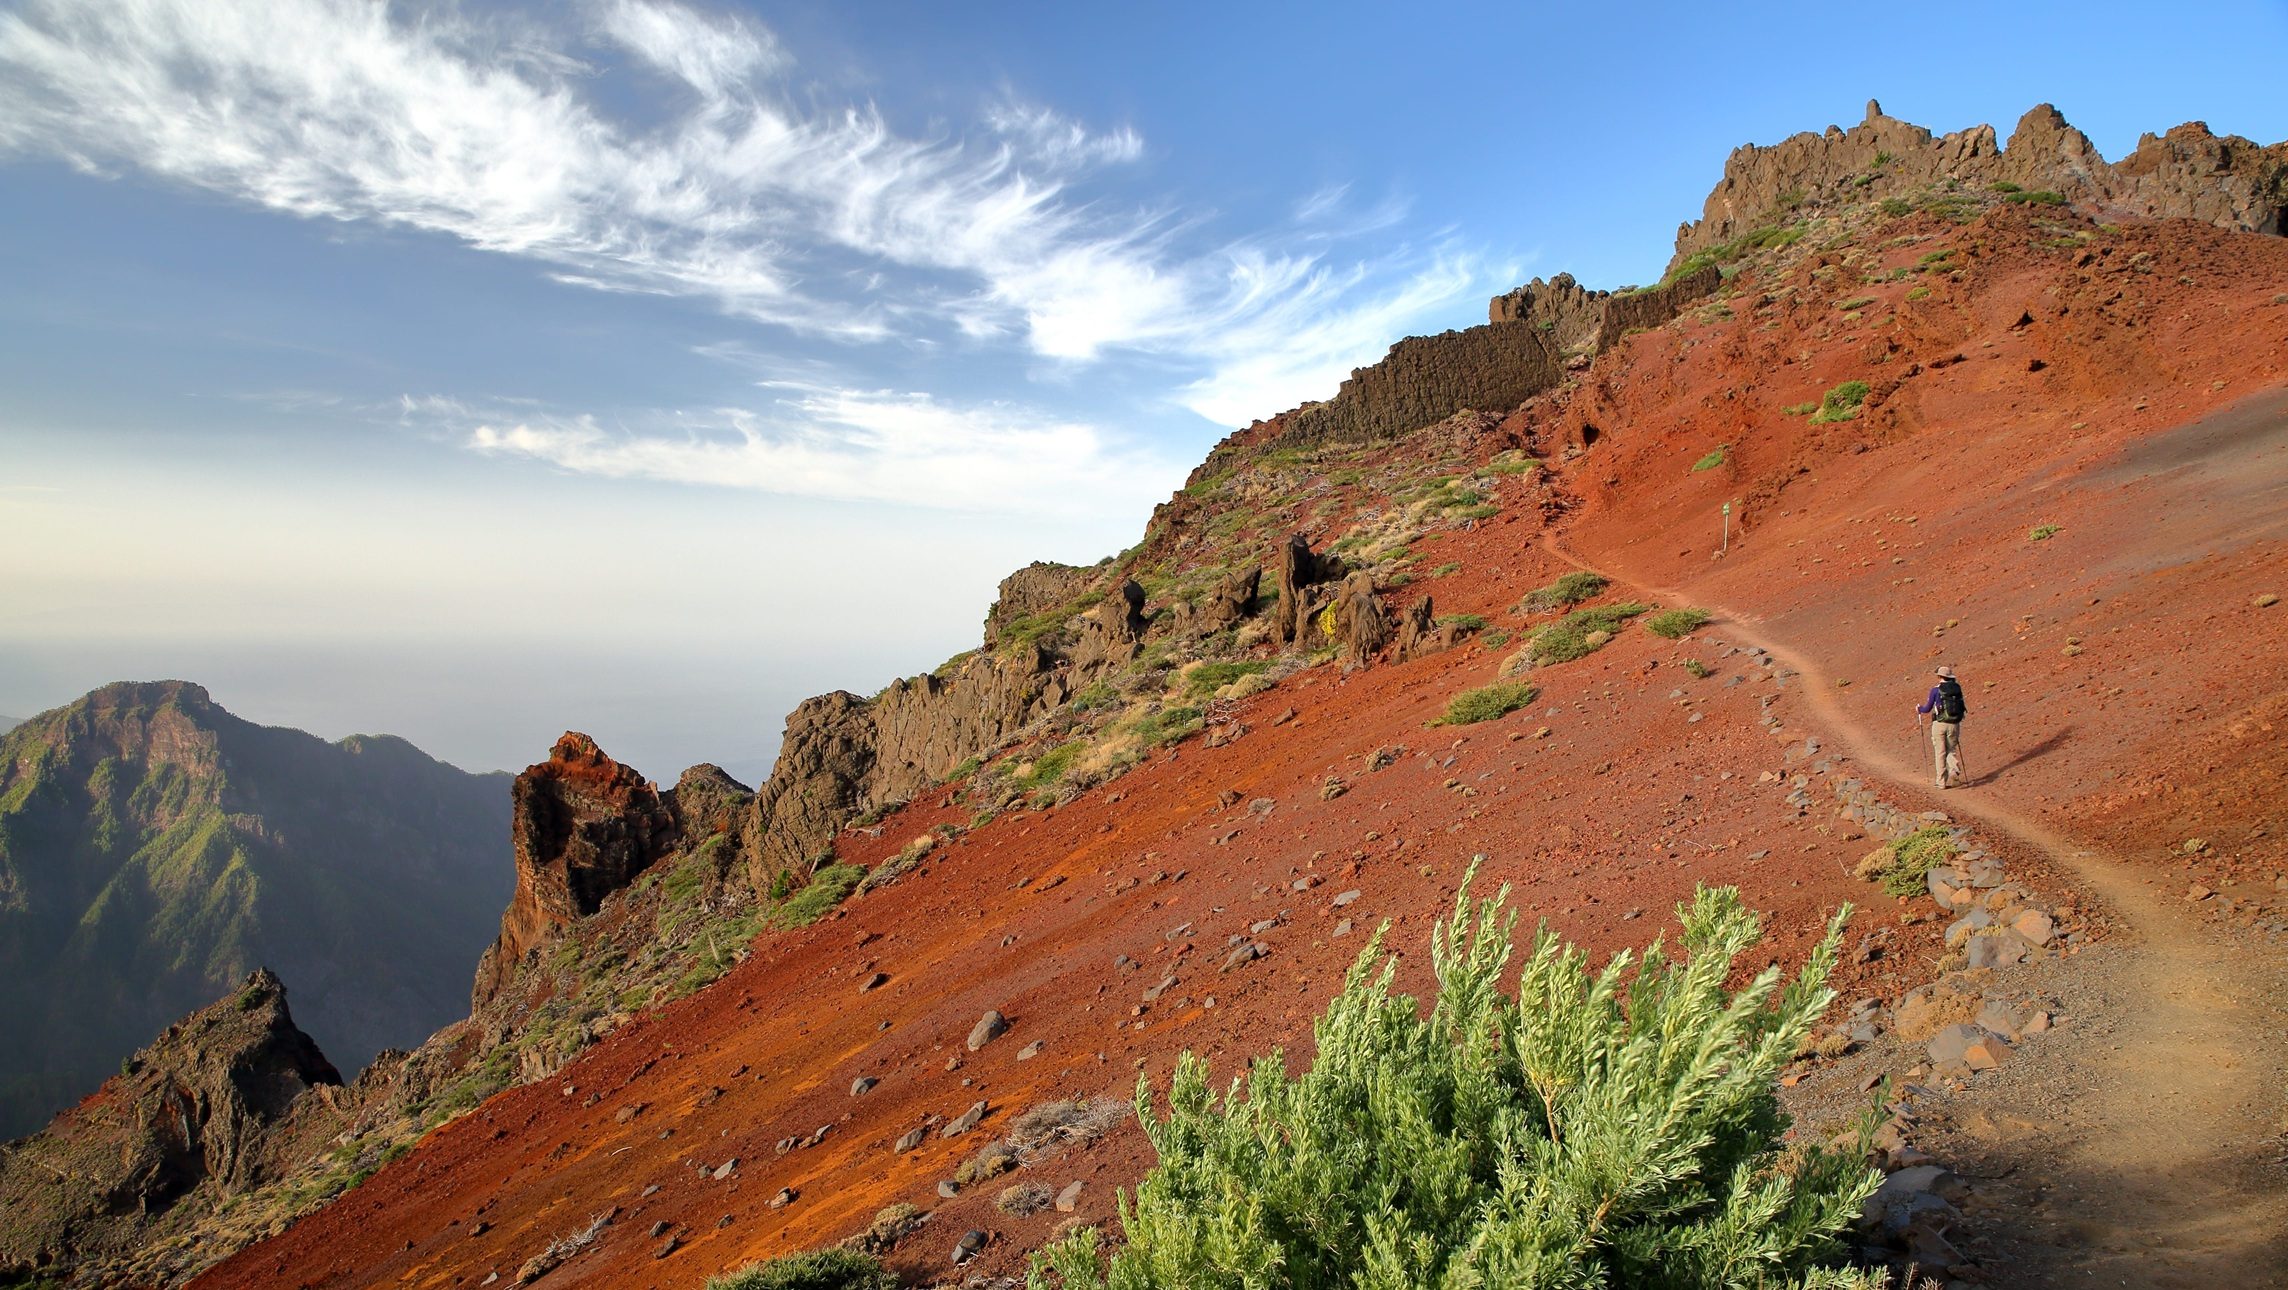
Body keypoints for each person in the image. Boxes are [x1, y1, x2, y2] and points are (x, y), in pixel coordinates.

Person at [1916, 665, 1968, 788]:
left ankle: (1941, 782)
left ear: (1939, 676)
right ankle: (1954, 770)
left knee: (1940, 752)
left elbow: (1927, 708)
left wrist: (1919, 709)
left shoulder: (1935, 690)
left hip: (1939, 724)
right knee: (1951, 749)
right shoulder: (1957, 689)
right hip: (1954, 724)